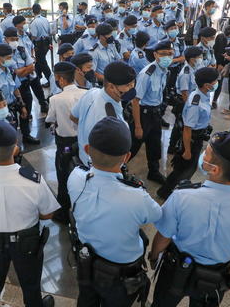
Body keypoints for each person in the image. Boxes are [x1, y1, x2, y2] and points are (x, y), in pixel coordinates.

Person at [149, 131, 230, 307]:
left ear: (214, 169)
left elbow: (163, 237)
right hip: (214, 280)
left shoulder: (182, 196)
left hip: (174, 269)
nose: (202, 156)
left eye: (206, 153)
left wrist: (154, 257)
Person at [0, 119, 58, 307]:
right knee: (30, 284)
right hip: (26, 242)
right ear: (15, 147)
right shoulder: (33, 181)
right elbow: (48, 214)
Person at [68, 116, 161, 306]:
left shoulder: (75, 178)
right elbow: (157, 215)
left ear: (87, 150)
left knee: (86, 300)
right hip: (121, 274)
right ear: (126, 156)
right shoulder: (136, 196)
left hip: (86, 262)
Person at [159, 67, 218, 199]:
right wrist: (187, 150)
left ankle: (178, 188)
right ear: (207, 85)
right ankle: (165, 192)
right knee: (183, 169)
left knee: (189, 168)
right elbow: (187, 129)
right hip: (191, 139)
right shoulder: (195, 103)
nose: (216, 83)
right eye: (215, 82)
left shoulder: (203, 94)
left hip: (198, 136)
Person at [45, 62, 88, 224]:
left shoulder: (56, 99)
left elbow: (50, 118)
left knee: (63, 176)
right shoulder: (85, 93)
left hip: (65, 143)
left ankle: (63, 213)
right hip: (83, 141)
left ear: (60, 80)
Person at [71, 61, 136, 165]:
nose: (132, 88)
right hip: (96, 166)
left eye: (133, 83)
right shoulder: (109, 119)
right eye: (128, 85)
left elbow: (73, 116)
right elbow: (108, 158)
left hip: (83, 155)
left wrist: (87, 128)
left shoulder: (92, 92)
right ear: (111, 87)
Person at [128, 40, 172, 184]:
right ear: (155, 55)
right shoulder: (146, 74)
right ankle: (118, 168)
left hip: (156, 113)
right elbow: (135, 100)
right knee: (133, 146)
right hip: (143, 114)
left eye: (170, 54)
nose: (167, 57)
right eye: (163, 54)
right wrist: (138, 126)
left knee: (154, 145)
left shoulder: (163, 71)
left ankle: (153, 172)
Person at [0, 43, 33, 143]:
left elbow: (15, 88)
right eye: (8, 58)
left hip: (13, 105)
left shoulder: (9, 70)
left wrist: (21, 104)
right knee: (8, 135)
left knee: (15, 129)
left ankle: (26, 136)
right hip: (2, 111)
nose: (11, 60)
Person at [211, 26, 230, 109]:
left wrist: (225, 65)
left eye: (229, 36)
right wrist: (217, 64)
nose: (228, 38)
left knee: (219, 82)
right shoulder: (220, 37)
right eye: (226, 36)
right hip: (217, 63)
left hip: (227, 65)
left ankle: (214, 100)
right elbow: (216, 50)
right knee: (212, 80)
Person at [30, 4, 53, 87]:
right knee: (39, 62)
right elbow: (50, 32)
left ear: (32, 11)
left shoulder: (34, 22)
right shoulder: (45, 20)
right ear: (40, 10)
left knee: (42, 63)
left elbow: (34, 36)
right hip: (46, 43)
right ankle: (37, 78)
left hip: (39, 44)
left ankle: (51, 80)